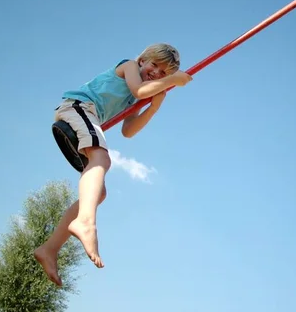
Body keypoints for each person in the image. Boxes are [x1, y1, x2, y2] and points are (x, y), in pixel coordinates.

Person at [34, 43, 192, 286]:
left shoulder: (136, 95)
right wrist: (174, 81)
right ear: (142, 61)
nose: (157, 73)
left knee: (99, 193)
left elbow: (129, 130)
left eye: (164, 74)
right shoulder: (128, 66)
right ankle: (85, 222)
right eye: (155, 66)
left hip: (86, 119)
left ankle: (49, 249)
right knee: (102, 158)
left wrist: (155, 106)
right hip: (79, 107)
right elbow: (140, 90)